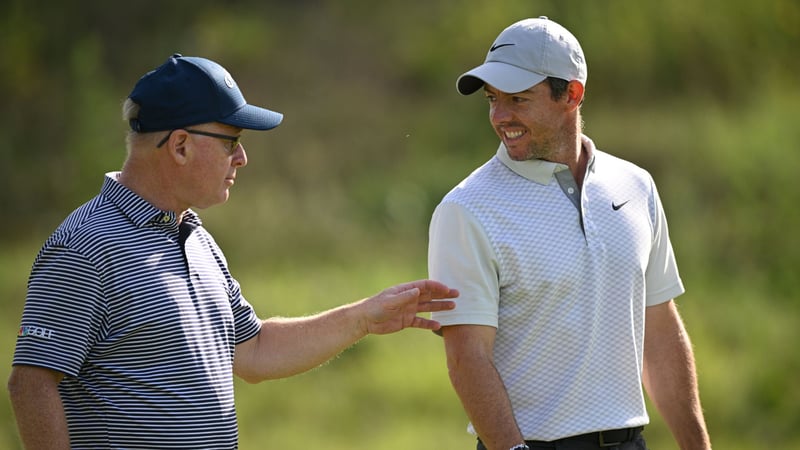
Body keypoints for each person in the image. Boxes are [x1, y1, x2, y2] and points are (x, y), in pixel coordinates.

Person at [8, 53, 458, 449]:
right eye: (231, 143)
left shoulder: (194, 235)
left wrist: (362, 317)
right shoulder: (85, 247)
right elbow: (31, 383)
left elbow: (253, 350)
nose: (241, 160)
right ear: (180, 145)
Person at [428, 17, 711, 450]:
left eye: (518, 99)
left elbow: (658, 330)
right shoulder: (465, 209)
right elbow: (468, 357)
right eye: (492, 100)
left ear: (572, 94)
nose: (501, 117)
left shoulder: (636, 186)